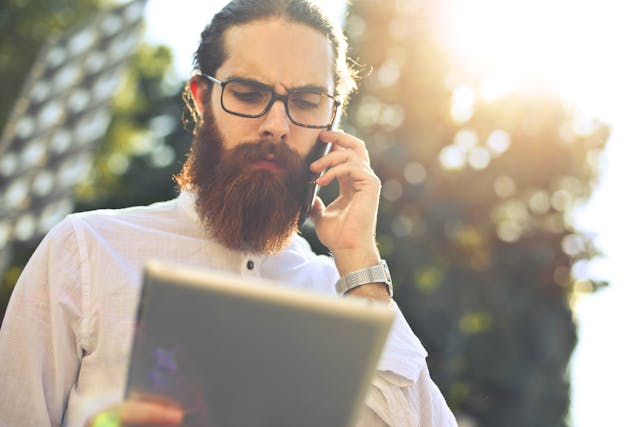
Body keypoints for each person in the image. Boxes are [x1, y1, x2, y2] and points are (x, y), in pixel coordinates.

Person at [0, 1, 458, 426]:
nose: (276, 124)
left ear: (332, 121)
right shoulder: (86, 250)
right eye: (247, 92)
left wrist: (361, 258)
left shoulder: (347, 297)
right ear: (200, 98)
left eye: (305, 102)